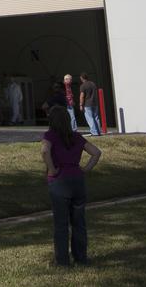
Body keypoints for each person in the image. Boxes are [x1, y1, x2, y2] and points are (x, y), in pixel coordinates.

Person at [42, 105, 101, 266]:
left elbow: (45, 151)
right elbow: (96, 152)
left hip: (59, 181)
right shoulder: (76, 137)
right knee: (79, 222)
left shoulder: (50, 136)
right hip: (77, 180)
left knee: (61, 224)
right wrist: (86, 169)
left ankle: (62, 261)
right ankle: (81, 257)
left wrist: (52, 169)